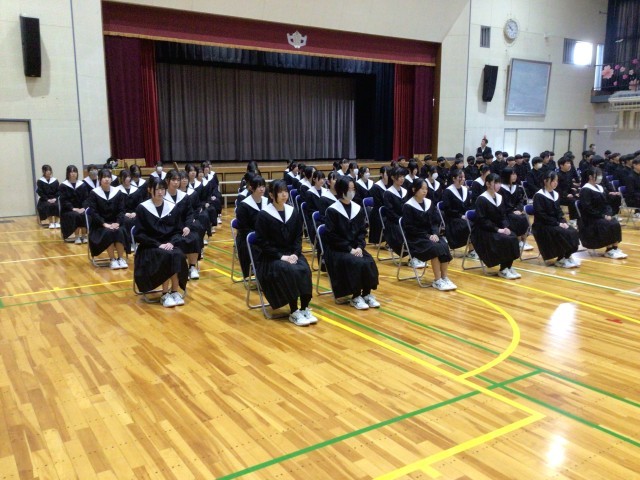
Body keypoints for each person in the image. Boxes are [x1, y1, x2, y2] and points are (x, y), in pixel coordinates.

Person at [254, 179, 317, 326]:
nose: (284, 195)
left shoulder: (292, 211)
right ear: (271, 195)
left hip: (291, 254)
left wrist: (295, 253)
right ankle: (294, 311)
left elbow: (297, 237)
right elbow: (262, 242)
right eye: (280, 192)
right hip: (271, 258)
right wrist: (281, 256)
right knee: (288, 270)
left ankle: (304, 307)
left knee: (304, 268)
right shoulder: (264, 215)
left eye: (286, 192)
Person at [324, 177, 380, 309]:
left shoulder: (357, 208)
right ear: (341, 190)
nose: (352, 192)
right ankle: (355, 296)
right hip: (338, 249)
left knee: (368, 260)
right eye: (349, 189)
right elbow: (332, 236)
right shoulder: (332, 210)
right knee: (355, 262)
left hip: (355, 247)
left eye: (353, 189)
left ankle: (366, 293)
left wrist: (360, 247)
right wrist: (349, 249)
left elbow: (362, 231)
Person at [133, 178, 188, 308]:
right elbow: (139, 235)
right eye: (157, 189)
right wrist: (158, 244)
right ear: (149, 190)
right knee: (166, 255)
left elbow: (177, 230)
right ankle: (164, 294)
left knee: (178, 254)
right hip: (149, 247)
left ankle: (174, 292)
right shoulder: (142, 208)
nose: (160, 192)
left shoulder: (171, 207)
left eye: (162, 189)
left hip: (168, 245)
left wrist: (172, 243)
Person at [402, 179, 456, 290]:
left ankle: (444, 277)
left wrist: (435, 234)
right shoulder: (408, 206)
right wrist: (428, 236)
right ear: (414, 189)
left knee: (444, 245)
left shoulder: (429, 203)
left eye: (426, 189)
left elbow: (434, 222)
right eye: (422, 189)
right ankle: (437, 280)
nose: (425, 191)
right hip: (416, 238)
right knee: (435, 248)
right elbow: (410, 228)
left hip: (430, 236)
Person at [470, 173, 521, 279]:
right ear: (488, 184)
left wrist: (505, 227)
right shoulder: (481, 199)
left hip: (497, 228)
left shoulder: (499, 197)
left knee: (512, 236)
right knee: (504, 239)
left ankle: (508, 266)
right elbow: (482, 220)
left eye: (499, 183)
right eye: (496, 183)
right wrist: (497, 229)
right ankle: (503, 269)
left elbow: (503, 216)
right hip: (483, 230)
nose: (498, 185)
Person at [531, 171, 580, 268]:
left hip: (555, 223)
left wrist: (563, 221)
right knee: (562, 233)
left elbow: (559, 211)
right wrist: (557, 223)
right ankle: (560, 259)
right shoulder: (539, 195)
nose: (555, 183)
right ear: (545, 181)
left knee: (572, 231)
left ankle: (567, 255)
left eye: (556, 181)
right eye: (553, 181)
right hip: (543, 225)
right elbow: (541, 215)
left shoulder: (556, 194)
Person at [578, 168, 627, 259]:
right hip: (591, 218)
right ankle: (608, 250)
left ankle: (614, 248)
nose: (600, 177)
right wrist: (602, 216)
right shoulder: (585, 190)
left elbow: (606, 203)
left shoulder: (600, 187)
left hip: (602, 215)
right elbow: (587, 208)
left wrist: (608, 213)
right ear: (590, 177)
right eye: (598, 175)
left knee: (615, 222)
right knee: (606, 224)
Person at [165, 169, 205, 280]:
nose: (176, 182)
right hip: (169, 230)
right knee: (176, 241)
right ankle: (180, 270)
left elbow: (189, 214)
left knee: (195, 238)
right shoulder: (162, 197)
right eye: (173, 180)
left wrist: (187, 226)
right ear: (167, 181)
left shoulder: (184, 196)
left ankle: (192, 267)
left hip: (183, 228)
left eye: (178, 180)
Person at [86, 168, 128, 269]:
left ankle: (120, 258)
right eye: (104, 177)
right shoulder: (94, 193)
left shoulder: (117, 192)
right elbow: (93, 212)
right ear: (99, 179)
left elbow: (121, 210)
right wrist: (104, 223)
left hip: (115, 223)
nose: (106, 179)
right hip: (99, 225)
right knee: (108, 232)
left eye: (108, 177)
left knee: (120, 231)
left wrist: (118, 223)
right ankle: (112, 259)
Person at [235, 175, 268, 279]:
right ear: (251, 188)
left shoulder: (267, 202)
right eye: (259, 186)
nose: (262, 189)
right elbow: (243, 228)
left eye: (263, 186)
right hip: (248, 238)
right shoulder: (244, 205)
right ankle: (260, 274)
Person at [442, 169, 477, 258]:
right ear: (454, 179)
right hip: (452, 219)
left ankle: (476, 248)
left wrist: (468, 215)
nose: (463, 179)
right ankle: (471, 250)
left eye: (464, 177)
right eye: (460, 177)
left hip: (464, 217)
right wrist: (461, 216)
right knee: (469, 225)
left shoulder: (465, 190)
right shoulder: (448, 191)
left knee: (479, 223)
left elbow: (469, 206)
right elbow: (447, 210)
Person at [500, 167, 532, 251]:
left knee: (524, 217)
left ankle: (523, 241)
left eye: (515, 174)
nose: (515, 176)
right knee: (517, 218)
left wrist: (518, 209)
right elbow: (502, 204)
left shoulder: (516, 187)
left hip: (515, 211)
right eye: (512, 174)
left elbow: (520, 201)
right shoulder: (501, 188)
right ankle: (518, 241)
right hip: (505, 213)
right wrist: (512, 211)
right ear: (507, 175)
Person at [383, 166, 410, 260]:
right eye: (400, 176)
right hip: (393, 222)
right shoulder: (388, 193)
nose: (402, 179)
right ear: (393, 177)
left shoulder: (405, 191)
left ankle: (417, 256)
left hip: (404, 221)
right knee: (405, 235)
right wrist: (400, 220)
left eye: (403, 176)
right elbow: (389, 212)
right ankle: (412, 256)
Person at [59, 165, 88, 243]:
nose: (73, 173)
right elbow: (64, 200)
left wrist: (83, 208)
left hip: (81, 208)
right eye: (71, 172)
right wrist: (73, 208)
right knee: (76, 215)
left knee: (84, 214)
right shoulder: (63, 186)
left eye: (74, 171)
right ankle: (76, 237)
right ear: (68, 173)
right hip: (68, 210)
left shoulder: (82, 185)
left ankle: (84, 236)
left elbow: (86, 198)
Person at [117, 169, 144, 253]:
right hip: (122, 213)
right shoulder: (117, 190)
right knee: (127, 221)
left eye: (128, 176)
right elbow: (117, 206)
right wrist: (125, 213)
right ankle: (128, 244)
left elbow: (140, 204)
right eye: (125, 177)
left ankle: (136, 242)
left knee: (138, 220)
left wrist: (135, 212)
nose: (127, 179)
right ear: (121, 178)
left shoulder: (136, 190)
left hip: (134, 213)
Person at [369, 166, 389, 245]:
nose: (388, 176)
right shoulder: (376, 187)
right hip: (378, 212)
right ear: (381, 174)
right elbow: (378, 203)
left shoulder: (391, 186)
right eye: (387, 174)